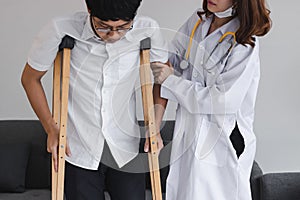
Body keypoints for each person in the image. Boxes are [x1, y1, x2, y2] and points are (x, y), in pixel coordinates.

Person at [21, 0, 167, 199]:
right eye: (104, 27)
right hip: (78, 146)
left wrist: (155, 126)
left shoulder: (147, 29)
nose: (114, 35)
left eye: (123, 28)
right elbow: (30, 79)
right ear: (89, 10)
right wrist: (50, 128)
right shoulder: (60, 28)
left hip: (126, 145)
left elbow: (162, 79)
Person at [151, 0, 271, 199]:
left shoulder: (244, 43)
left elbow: (222, 101)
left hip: (222, 142)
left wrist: (171, 82)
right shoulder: (198, 22)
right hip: (189, 136)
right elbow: (170, 61)